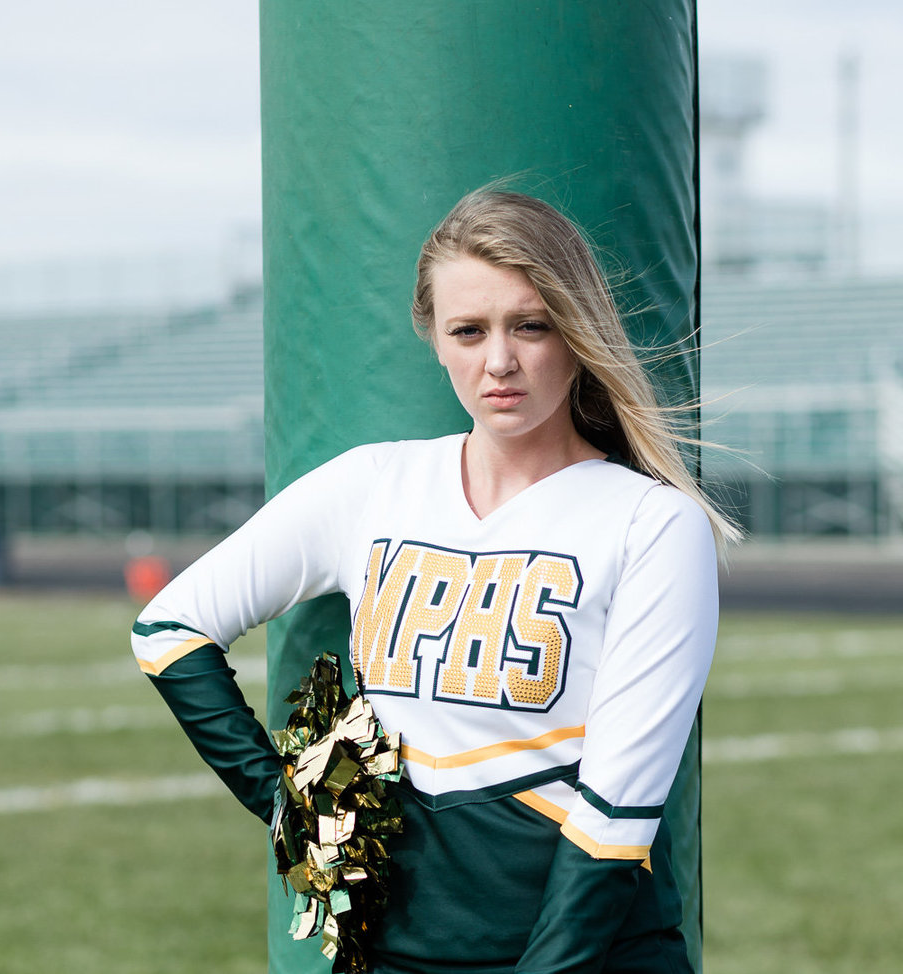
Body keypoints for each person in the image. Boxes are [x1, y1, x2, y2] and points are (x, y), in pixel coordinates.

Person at [131, 189, 738, 973]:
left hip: (589, 953)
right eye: (469, 331)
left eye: (532, 324)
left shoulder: (652, 524)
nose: (500, 361)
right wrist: (291, 805)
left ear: (576, 331)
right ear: (436, 341)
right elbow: (169, 627)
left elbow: (617, 810)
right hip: (397, 954)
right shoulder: (373, 485)